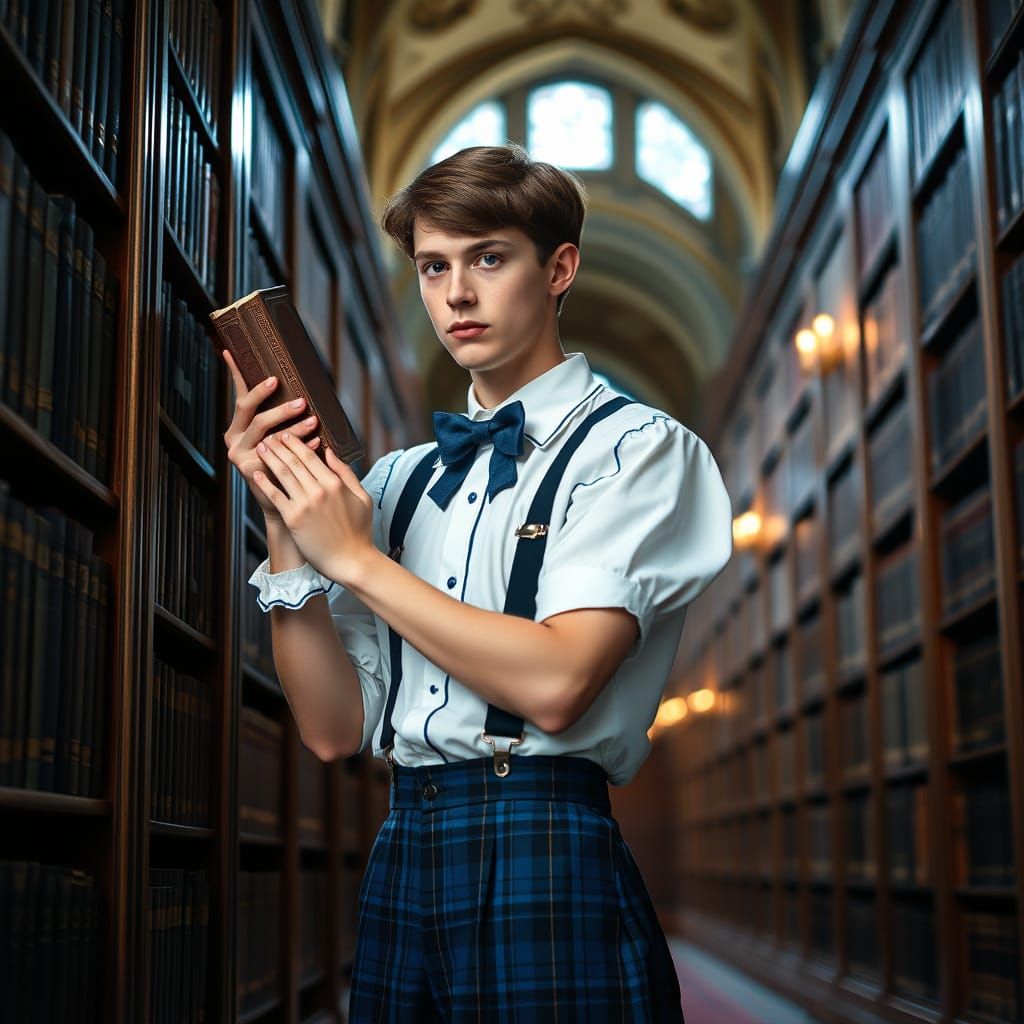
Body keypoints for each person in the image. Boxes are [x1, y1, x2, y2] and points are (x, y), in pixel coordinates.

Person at [222, 143, 732, 1022]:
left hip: (545, 842)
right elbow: (334, 730)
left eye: (488, 259)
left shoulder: (639, 451)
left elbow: (559, 683)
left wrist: (356, 561)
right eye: (433, 267)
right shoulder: (393, 484)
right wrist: (286, 517)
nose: (456, 294)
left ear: (558, 267)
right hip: (406, 842)